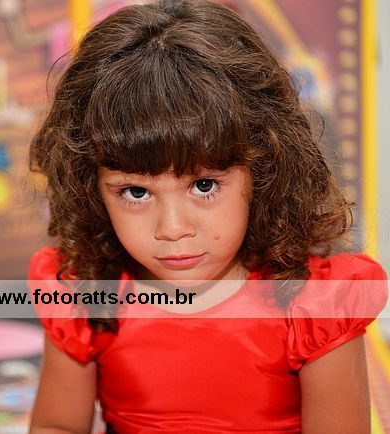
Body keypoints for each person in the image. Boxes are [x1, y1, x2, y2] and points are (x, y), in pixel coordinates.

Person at [25, 1, 389, 432]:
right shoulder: (85, 292)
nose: (173, 229)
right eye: (136, 192)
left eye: (203, 186)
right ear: (90, 187)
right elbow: (57, 425)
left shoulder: (314, 306)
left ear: (264, 168)